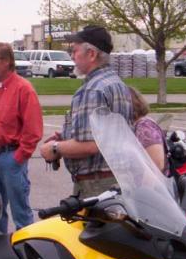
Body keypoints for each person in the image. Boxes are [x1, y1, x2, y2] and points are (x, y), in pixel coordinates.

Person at [39, 26, 133, 198]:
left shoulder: (93, 90)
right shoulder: (116, 83)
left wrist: (54, 148)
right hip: (117, 179)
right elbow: (104, 135)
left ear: (91, 54)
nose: (72, 56)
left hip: (96, 185)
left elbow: (90, 145)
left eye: (74, 51)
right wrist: (66, 135)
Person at [0, 42, 43, 233]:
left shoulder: (24, 89)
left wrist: (19, 157)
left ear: (6, 62)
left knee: (20, 211)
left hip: (11, 156)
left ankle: (27, 249)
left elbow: (33, 129)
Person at [129, 87, 168, 175]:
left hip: (151, 186)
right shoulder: (133, 125)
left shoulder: (145, 127)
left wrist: (142, 186)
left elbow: (157, 165)